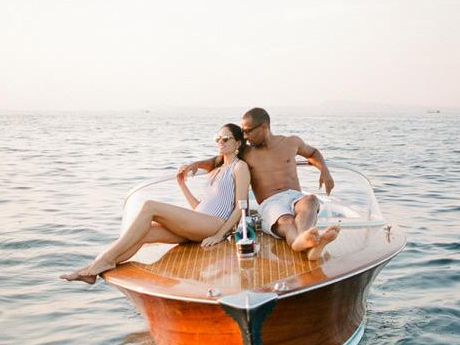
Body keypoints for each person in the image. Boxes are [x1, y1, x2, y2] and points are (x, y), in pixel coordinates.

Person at [61, 124, 251, 284]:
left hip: (215, 224)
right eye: (218, 138)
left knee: (150, 206)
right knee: (147, 232)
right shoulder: (217, 170)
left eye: (226, 139)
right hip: (201, 223)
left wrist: (219, 235)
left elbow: (240, 206)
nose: (220, 142)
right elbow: (199, 208)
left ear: (238, 143)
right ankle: (94, 268)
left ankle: (102, 262)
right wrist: (181, 185)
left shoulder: (239, 167)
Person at [183, 107, 339, 261]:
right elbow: (217, 160)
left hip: (295, 196)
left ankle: (305, 241)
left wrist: (325, 171)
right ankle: (307, 244)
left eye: (248, 131)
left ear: (264, 127)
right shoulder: (246, 152)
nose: (244, 136)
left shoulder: (291, 142)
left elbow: (313, 153)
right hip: (270, 203)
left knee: (311, 199)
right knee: (286, 221)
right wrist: (197, 163)